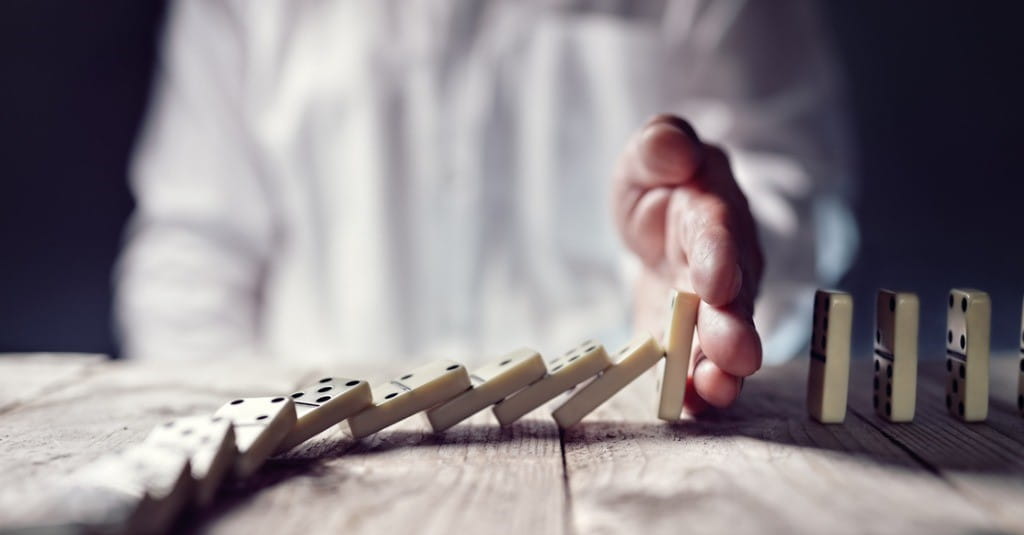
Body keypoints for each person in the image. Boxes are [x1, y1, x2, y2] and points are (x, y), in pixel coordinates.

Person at [115, 0, 855, 413]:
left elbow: (797, 190)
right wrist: (249, 445)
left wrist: (726, 270)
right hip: (308, 470)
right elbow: (190, 259)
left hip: (625, 468)